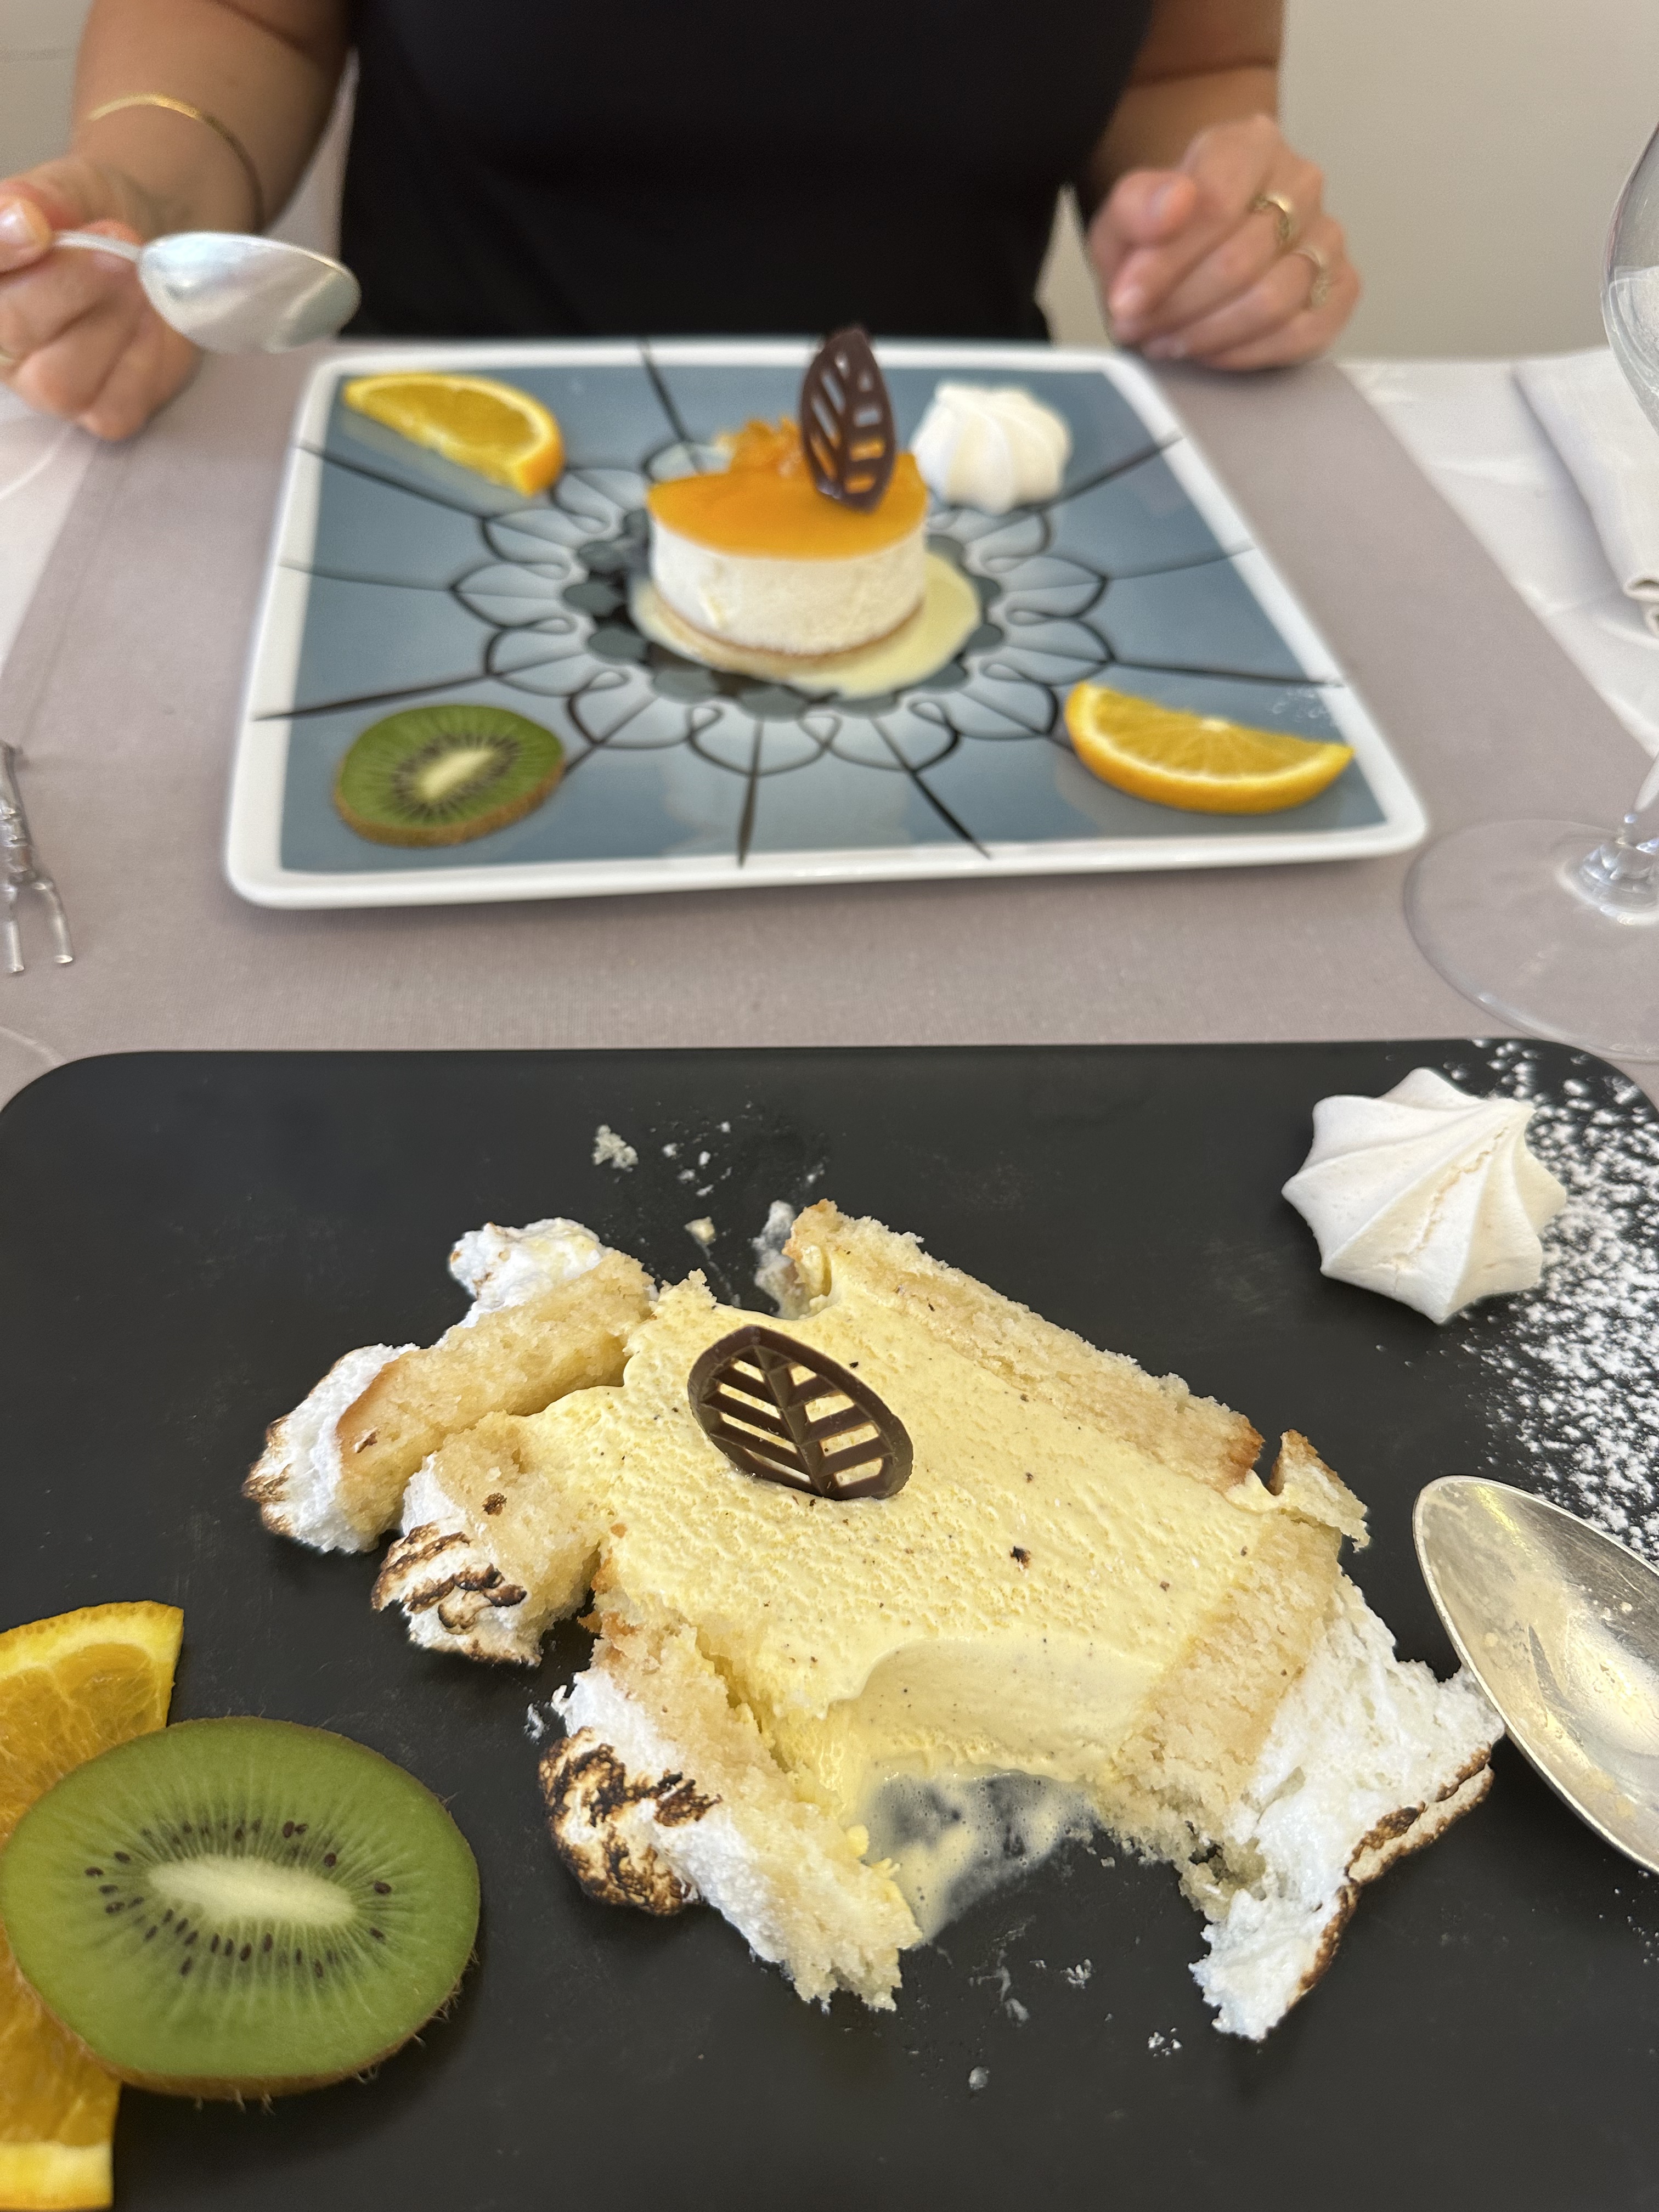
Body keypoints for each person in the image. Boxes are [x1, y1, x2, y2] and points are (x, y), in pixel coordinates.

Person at [0, 0, 1357, 441]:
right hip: (451, 469)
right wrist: (147, 191)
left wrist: (1211, 226)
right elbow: (249, 17)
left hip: (951, 490)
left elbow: (1190, 64)